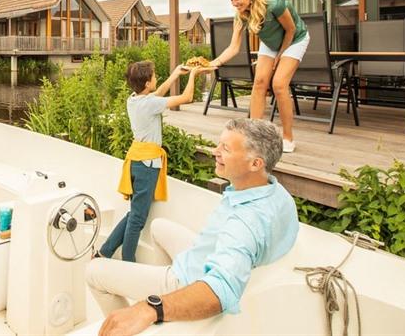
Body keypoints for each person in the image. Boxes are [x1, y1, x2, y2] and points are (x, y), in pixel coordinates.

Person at [87, 119, 299, 336]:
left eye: (225, 148)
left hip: (192, 278)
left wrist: (151, 308)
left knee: (94, 271)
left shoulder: (244, 223)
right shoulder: (276, 192)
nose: (214, 151)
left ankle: (137, 322)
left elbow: (221, 290)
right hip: (207, 256)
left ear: (255, 164)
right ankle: (168, 327)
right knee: (158, 227)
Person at [97, 60, 214, 263]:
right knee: (138, 219)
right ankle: (128, 261)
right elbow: (186, 97)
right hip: (146, 165)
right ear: (147, 83)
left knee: (134, 213)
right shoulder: (149, 104)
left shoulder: (133, 100)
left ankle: (105, 251)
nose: (156, 78)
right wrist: (194, 75)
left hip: (136, 160)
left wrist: (176, 74)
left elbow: (156, 95)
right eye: (154, 76)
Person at [209, 0, 309, 152]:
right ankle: (253, 136)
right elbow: (233, 48)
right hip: (271, 43)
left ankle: (288, 138)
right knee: (259, 83)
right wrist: (213, 63)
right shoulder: (241, 16)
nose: (234, 3)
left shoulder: (275, 3)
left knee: (278, 84)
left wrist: (279, 56)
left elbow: (291, 30)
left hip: (294, 40)